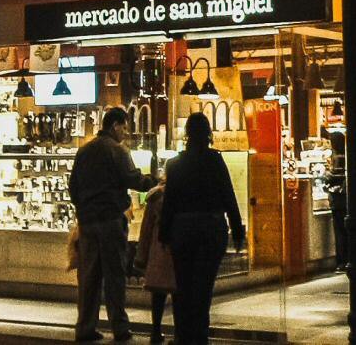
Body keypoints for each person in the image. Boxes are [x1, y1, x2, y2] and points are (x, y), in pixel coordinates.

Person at [69, 106, 154, 343]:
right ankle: (120, 327)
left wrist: (83, 209)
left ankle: (85, 328)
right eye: (124, 127)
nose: (125, 133)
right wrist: (154, 183)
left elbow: (73, 186)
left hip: (87, 222)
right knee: (114, 275)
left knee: (88, 277)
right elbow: (133, 179)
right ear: (115, 125)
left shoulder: (83, 151)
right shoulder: (117, 150)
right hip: (110, 220)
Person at [160, 112, 244, 345]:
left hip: (183, 228)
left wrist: (164, 233)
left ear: (187, 134)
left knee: (183, 285)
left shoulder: (175, 164)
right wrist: (237, 229)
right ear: (208, 134)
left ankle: (183, 335)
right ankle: (199, 334)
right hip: (211, 227)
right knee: (203, 286)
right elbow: (228, 195)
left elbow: (170, 203)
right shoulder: (215, 161)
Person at [133, 177, 176, 345]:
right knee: (178, 293)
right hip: (178, 248)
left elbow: (146, 230)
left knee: (158, 295)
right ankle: (179, 333)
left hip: (159, 250)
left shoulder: (155, 198)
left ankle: (156, 330)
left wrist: (141, 258)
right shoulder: (185, 193)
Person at [326, 130, 348, 272]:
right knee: (347, 231)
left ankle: (341, 261)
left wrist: (327, 176)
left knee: (340, 231)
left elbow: (333, 177)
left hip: (337, 199)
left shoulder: (337, 158)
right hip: (346, 199)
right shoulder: (347, 155)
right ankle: (348, 259)